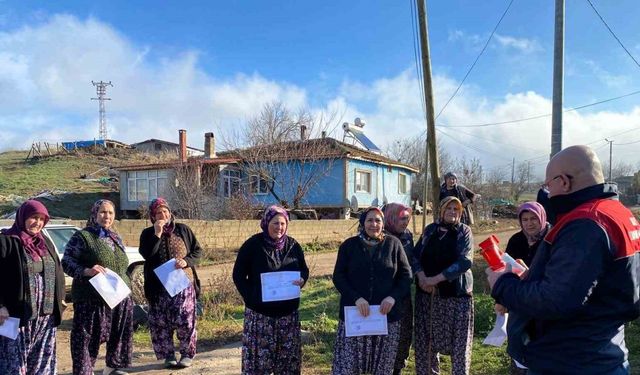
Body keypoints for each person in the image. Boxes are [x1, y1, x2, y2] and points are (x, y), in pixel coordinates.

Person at [487, 145, 640, 375]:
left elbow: (556, 300)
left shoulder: (586, 223)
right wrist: (532, 279)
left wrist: (503, 284)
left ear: (564, 181)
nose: (548, 193)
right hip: (604, 349)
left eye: (548, 185)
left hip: (570, 360)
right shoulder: (618, 213)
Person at [331, 206, 412, 375]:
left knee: (382, 368)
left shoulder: (394, 244)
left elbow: (406, 276)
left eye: (378, 220)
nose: (374, 224)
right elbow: (339, 277)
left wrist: (393, 297)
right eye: (369, 220)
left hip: (385, 318)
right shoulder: (349, 246)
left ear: (383, 224)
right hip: (355, 317)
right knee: (349, 367)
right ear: (362, 223)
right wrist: (356, 298)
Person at [232, 205, 309, 374]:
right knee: (260, 364)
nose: (279, 227)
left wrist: (303, 279)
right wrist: (251, 298)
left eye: (282, 223)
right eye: (275, 223)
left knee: (287, 363)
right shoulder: (252, 245)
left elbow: (304, 270)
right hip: (260, 317)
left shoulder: (293, 245)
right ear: (266, 222)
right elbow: (238, 276)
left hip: (288, 317)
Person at [62, 199, 133, 375]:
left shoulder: (115, 237)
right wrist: (86, 271)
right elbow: (66, 262)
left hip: (118, 298)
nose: (106, 216)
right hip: (91, 300)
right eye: (102, 212)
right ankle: (85, 371)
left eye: (110, 213)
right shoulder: (83, 237)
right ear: (94, 213)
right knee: (87, 339)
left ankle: (112, 367)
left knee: (117, 335)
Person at [0, 200, 66, 374]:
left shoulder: (45, 243)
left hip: (45, 317)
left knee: (42, 363)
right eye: (33, 217)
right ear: (22, 217)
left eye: (41, 219)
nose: (37, 222)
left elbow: (58, 270)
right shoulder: (7, 241)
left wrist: (60, 297)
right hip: (15, 317)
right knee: (14, 364)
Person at [411, 196, 474, 375]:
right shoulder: (430, 230)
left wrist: (435, 279)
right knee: (427, 343)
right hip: (428, 296)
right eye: (449, 208)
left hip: (457, 298)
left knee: (460, 345)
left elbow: (465, 261)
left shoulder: (464, 232)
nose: (452, 212)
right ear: (441, 211)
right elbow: (415, 256)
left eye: (456, 209)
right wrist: (423, 278)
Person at [139, 198, 202, 369]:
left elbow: (198, 251)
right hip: (158, 287)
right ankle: (168, 355)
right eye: (158, 213)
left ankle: (187, 354)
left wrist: (186, 261)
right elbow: (147, 254)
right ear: (153, 215)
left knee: (185, 320)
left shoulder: (183, 230)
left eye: (165, 211)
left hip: (182, 285)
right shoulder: (147, 233)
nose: (163, 215)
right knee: (161, 323)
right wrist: (157, 234)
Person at [496, 201, 551, 375]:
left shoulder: (552, 239)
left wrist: (529, 275)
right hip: (519, 304)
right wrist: (501, 299)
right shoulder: (517, 240)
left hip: (544, 306)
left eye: (534, 218)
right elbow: (506, 271)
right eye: (525, 219)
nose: (529, 223)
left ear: (542, 217)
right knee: (519, 350)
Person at [382, 203, 415, 375]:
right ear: (391, 217)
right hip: (382, 295)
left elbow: (413, 261)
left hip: (403, 294)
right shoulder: (380, 236)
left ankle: (397, 369)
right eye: (402, 218)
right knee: (385, 337)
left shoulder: (408, 236)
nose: (405, 222)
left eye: (407, 219)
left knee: (404, 334)